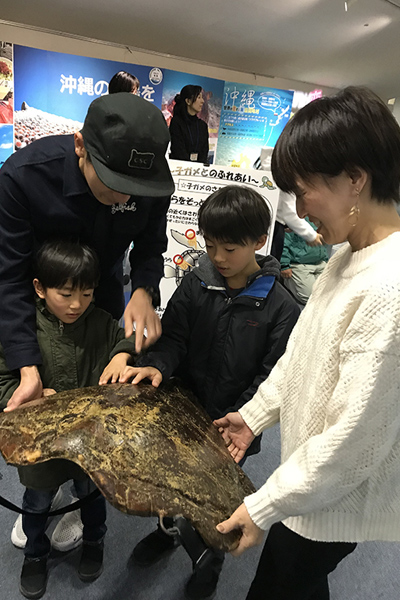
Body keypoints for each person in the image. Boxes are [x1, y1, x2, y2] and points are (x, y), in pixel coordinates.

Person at [214, 86, 400, 600]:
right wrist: (255, 416)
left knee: (280, 583)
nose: (297, 209)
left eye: (302, 190)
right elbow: (303, 357)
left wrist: (265, 504)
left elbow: (354, 441)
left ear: (355, 179)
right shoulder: (349, 255)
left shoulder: (389, 287)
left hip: (333, 497)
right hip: (311, 483)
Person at [116, 184, 300, 599]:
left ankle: (208, 563)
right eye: (211, 245)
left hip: (234, 424)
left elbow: (275, 376)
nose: (218, 258)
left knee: (217, 498)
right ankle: (166, 533)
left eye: (230, 249)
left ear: (258, 241)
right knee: (167, 479)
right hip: (185, 406)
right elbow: (175, 337)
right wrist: (157, 367)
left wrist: (247, 420)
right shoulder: (198, 283)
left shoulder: (282, 307)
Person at [0, 92, 175, 415]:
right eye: (112, 183)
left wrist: (143, 291)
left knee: (103, 383)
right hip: (39, 295)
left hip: (103, 284)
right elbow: (9, 276)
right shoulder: (23, 177)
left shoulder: (150, 185)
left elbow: (151, 246)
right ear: (80, 146)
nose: (124, 197)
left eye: (134, 189)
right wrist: (25, 364)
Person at [0, 240, 138, 600]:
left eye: (88, 293)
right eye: (65, 294)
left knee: (92, 497)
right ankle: (35, 554)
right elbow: (2, 381)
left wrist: (123, 354)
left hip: (91, 446)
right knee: (36, 502)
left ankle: (94, 540)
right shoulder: (20, 330)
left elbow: (129, 341)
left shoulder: (101, 323)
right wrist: (27, 401)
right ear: (39, 289)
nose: (77, 304)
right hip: (39, 450)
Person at [280, 217, 328, 305]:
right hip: (300, 265)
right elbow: (283, 242)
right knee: (311, 298)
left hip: (320, 263)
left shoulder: (315, 218)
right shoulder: (293, 220)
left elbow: (320, 242)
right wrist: (284, 265)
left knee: (330, 294)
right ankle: (288, 283)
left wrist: (326, 259)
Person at [169, 84, 209, 163]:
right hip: (180, 168)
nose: (202, 101)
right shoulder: (177, 122)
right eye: (199, 97)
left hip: (197, 170)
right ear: (188, 101)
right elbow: (178, 150)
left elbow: (204, 151)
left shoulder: (202, 125)